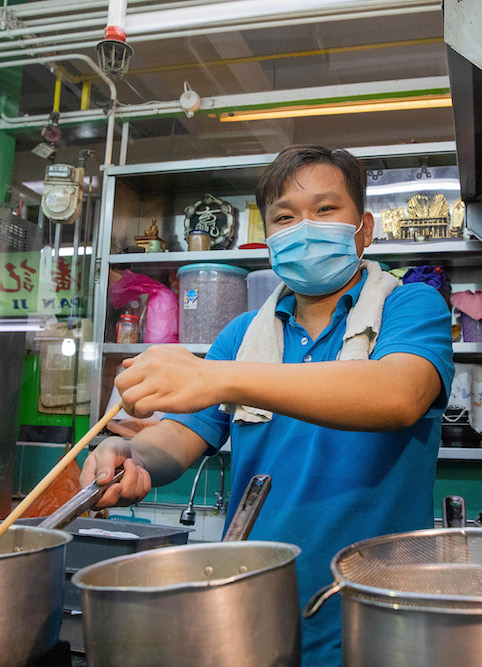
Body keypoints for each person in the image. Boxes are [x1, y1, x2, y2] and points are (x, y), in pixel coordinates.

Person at [81, 145, 454, 666]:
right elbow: (180, 437)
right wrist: (131, 457)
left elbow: (399, 395)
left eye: (325, 210)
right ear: (270, 238)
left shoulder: (408, 306)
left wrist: (219, 377)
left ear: (364, 229)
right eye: (285, 217)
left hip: (380, 617)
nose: (304, 227)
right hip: (258, 610)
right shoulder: (242, 335)